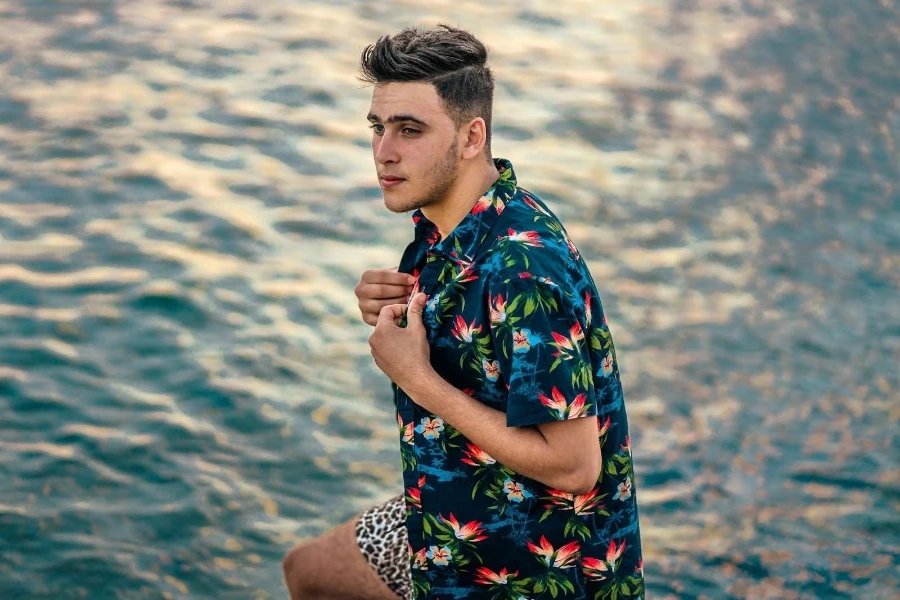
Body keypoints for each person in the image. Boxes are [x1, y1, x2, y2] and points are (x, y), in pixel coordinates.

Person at [282, 24, 644, 600]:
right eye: (378, 128)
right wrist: (394, 309)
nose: (384, 152)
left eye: (410, 130)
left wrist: (417, 378)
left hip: (528, 568)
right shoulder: (455, 225)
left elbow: (577, 468)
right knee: (311, 572)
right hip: (450, 522)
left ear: (471, 135)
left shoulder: (524, 270)